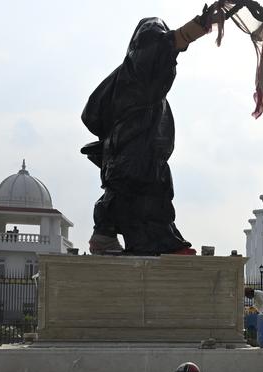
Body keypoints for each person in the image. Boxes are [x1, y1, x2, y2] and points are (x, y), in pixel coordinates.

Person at [82, 6, 228, 256]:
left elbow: (165, 49)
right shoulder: (133, 74)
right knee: (134, 192)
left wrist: (195, 29)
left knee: (145, 192)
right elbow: (162, 48)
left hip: (141, 153)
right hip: (131, 149)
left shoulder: (143, 85)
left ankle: (124, 237)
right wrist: (193, 29)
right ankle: (116, 237)